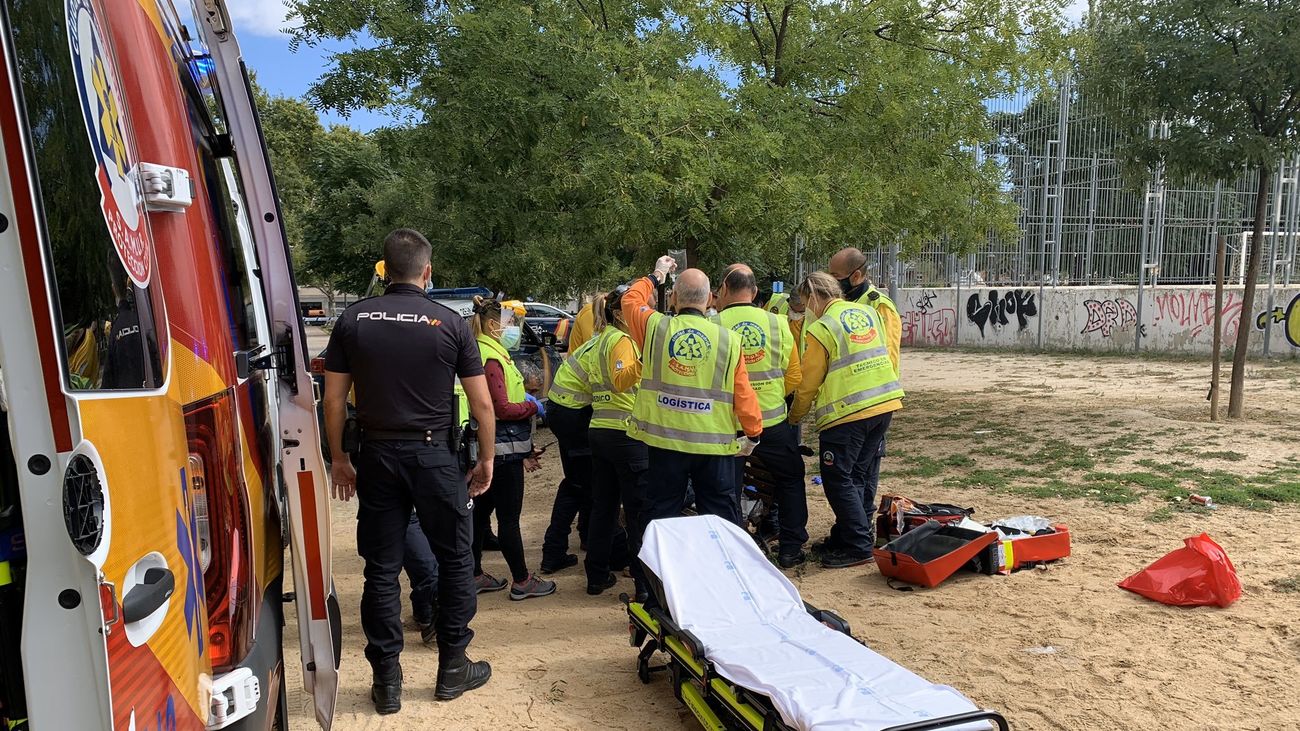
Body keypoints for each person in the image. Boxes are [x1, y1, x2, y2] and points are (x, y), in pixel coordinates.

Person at [324, 229, 495, 713]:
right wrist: (485, 459)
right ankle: (452, 668)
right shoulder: (450, 323)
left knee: (381, 567)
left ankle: (387, 682)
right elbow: (482, 403)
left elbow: (333, 399)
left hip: (377, 456)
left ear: (385, 268)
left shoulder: (354, 319)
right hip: (435, 457)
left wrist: (339, 458)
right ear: (427, 271)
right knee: (457, 558)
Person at [622, 257, 764, 526]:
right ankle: (720, 566)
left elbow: (630, 300)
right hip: (713, 446)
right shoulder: (728, 340)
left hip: (665, 443)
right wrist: (753, 435)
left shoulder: (655, 329)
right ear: (710, 299)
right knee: (720, 515)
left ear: (674, 297)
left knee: (661, 515)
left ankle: (655, 569)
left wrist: (657, 274)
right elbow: (743, 394)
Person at [788, 272, 905, 569]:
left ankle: (857, 545)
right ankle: (848, 533)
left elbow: (809, 382)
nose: (807, 309)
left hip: (848, 413)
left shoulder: (824, 327)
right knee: (858, 475)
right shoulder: (868, 312)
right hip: (883, 404)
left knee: (838, 477)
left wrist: (795, 417)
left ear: (814, 296)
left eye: (807, 303)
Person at [713, 264, 808, 568]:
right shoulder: (778, 324)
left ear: (723, 289)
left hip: (728, 425)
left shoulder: (712, 324)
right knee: (791, 478)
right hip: (771, 420)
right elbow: (794, 375)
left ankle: (732, 553)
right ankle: (791, 548)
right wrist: (771, 395)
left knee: (728, 486)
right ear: (754, 292)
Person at [469, 296, 557, 601]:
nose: (515, 330)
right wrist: (532, 407)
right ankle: (522, 581)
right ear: (494, 325)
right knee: (508, 519)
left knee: (479, 515)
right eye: (511, 324)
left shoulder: (481, 350)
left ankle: (474, 575)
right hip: (503, 451)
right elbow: (502, 407)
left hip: (488, 447)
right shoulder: (492, 358)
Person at [827, 247, 903, 527]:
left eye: (836, 276)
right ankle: (852, 527)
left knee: (864, 470)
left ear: (856, 275)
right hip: (849, 406)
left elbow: (890, 357)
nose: (832, 282)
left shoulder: (878, 305)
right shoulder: (839, 304)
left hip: (873, 403)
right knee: (851, 474)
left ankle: (862, 527)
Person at [583, 286, 647, 596]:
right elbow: (622, 380)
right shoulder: (621, 340)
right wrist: (648, 356)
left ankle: (596, 575)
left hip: (601, 430)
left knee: (604, 508)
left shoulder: (602, 339)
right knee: (636, 512)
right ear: (620, 314)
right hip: (625, 434)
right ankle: (643, 585)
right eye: (635, 309)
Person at [539, 324, 601, 574]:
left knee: (582, 481)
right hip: (574, 416)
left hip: (565, 412)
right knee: (579, 484)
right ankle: (553, 551)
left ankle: (582, 537)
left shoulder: (602, 339)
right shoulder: (617, 345)